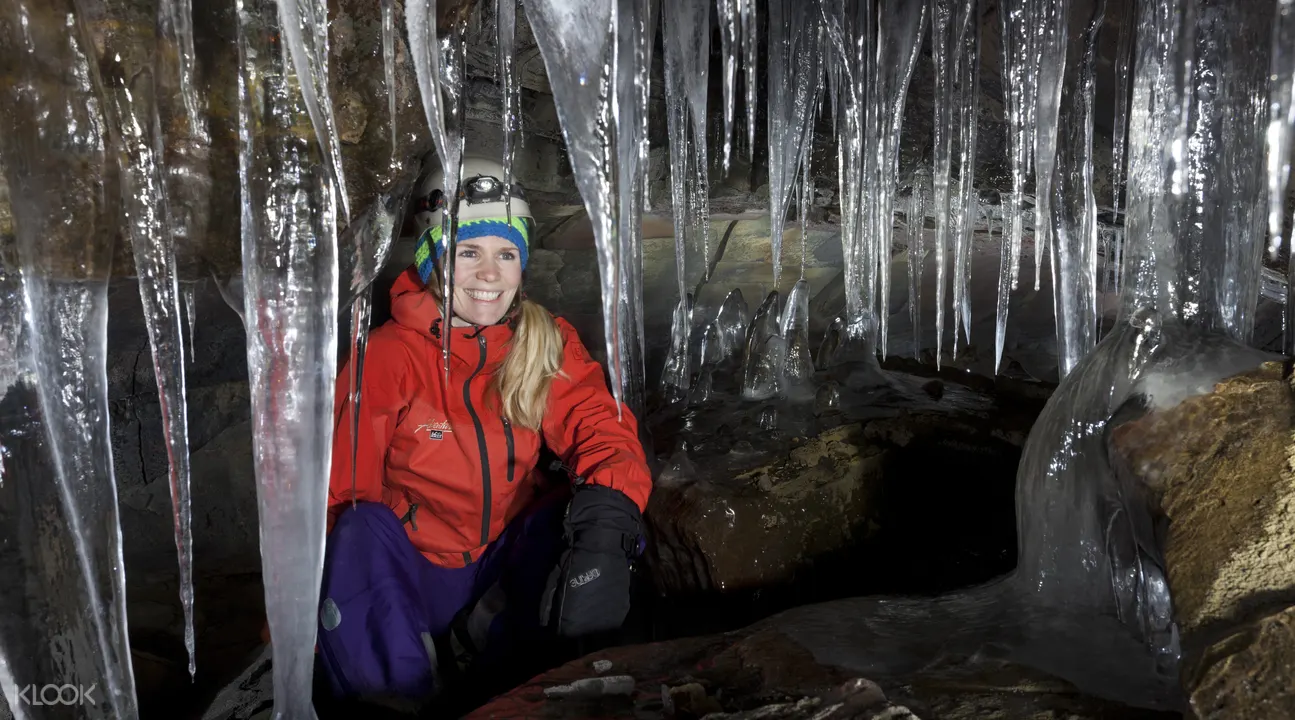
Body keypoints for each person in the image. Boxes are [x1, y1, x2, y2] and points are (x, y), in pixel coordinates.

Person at [315, 156, 653, 706]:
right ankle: (401, 691)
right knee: (357, 529)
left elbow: (599, 426)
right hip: (414, 571)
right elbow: (337, 485)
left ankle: (498, 648)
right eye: (468, 252)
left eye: (506, 254)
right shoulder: (387, 357)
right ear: (432, 259)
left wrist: (607, 530)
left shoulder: (543, 340)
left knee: (590, 512)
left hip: (496, 562)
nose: (490, 273)